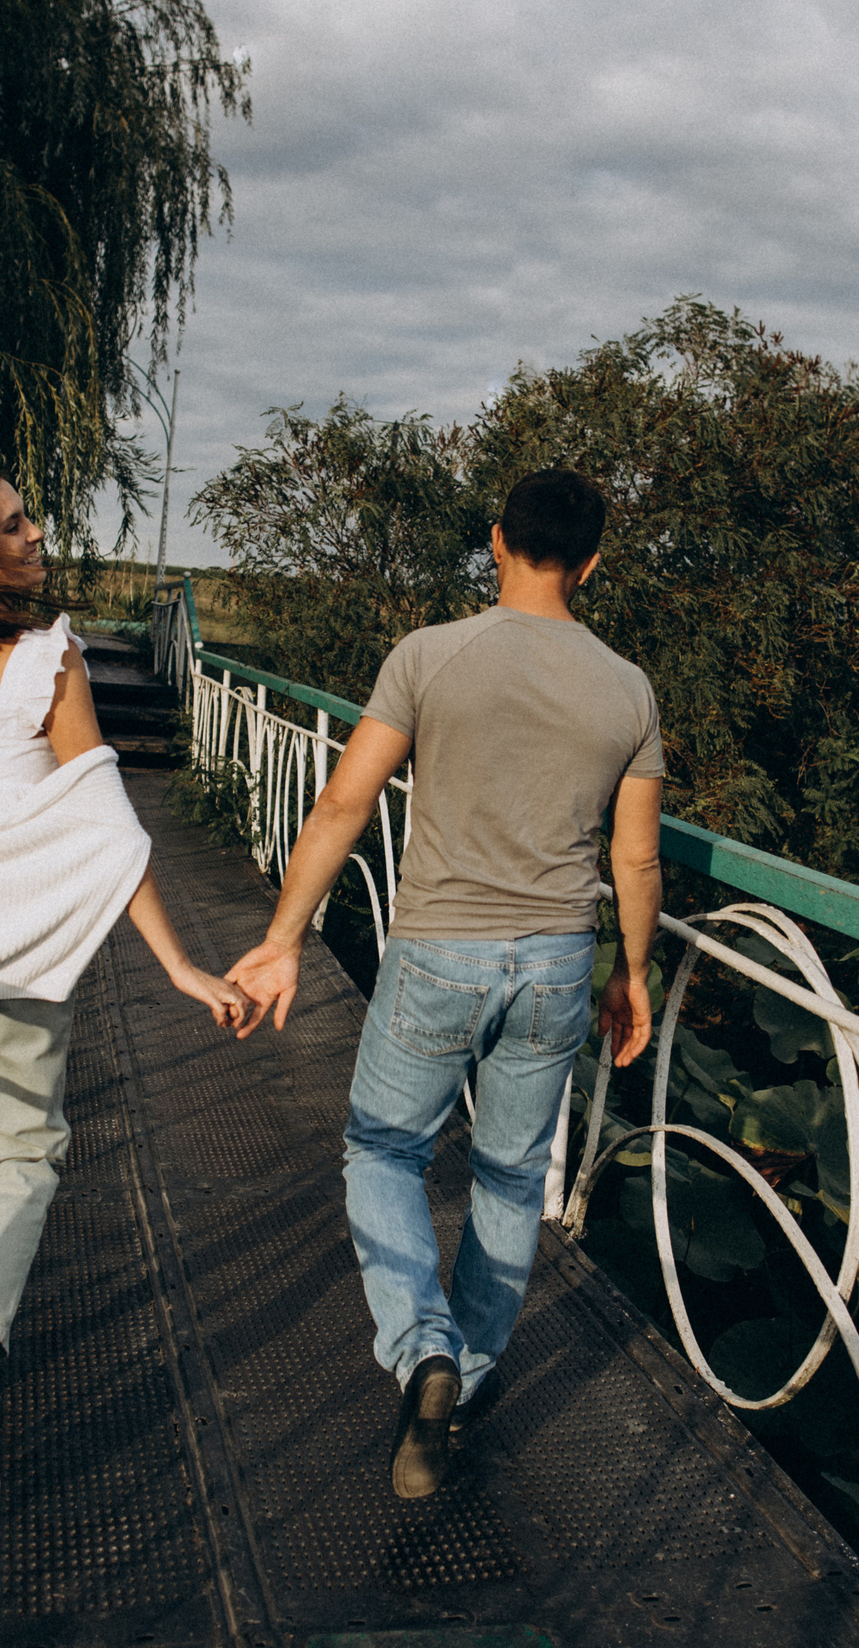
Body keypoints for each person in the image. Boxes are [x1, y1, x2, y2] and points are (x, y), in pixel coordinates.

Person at [224, 466, 665, 1499]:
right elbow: (637, 858)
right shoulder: (629, 689)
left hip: (438, 951)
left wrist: (285, 937)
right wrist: (632, 973)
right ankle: (461, 1380)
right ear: (593, 564)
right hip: (558, 961)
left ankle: (421, 1343)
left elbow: (342, 804)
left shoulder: (429, 654)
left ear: (497, 540)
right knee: (510, 1175)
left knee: (384, 1146)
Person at [0, 460, 247, 1513]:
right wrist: (180, 964)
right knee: (24, 1155)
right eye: (14, 523)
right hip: (12, 953)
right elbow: (104, 820)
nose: (35, 535)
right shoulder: (45, 657)